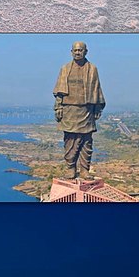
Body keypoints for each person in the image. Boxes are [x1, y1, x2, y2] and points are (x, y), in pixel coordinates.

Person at [53, 41, 105, 179]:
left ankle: (84, 169)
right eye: (75, 50)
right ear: (71, 52)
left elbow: (96, 89)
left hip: (86, 110)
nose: (77, 53)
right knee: (70, 141)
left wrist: (97, 107)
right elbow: (59, 91)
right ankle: (70, 168)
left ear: (85, 52)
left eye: (80, 50)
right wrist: (58, 106)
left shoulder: (92, 69)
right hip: (69, 109)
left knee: (86, 141)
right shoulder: (65, 68)